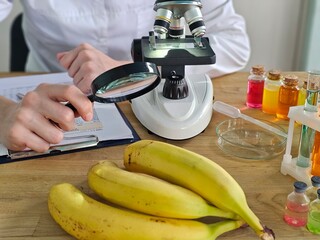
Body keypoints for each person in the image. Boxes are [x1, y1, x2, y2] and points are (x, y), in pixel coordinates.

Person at [0, 0, 250, 151]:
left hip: (148, 81)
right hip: (48, 92)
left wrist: (129, 70)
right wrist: (3, 113)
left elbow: (234, 43)